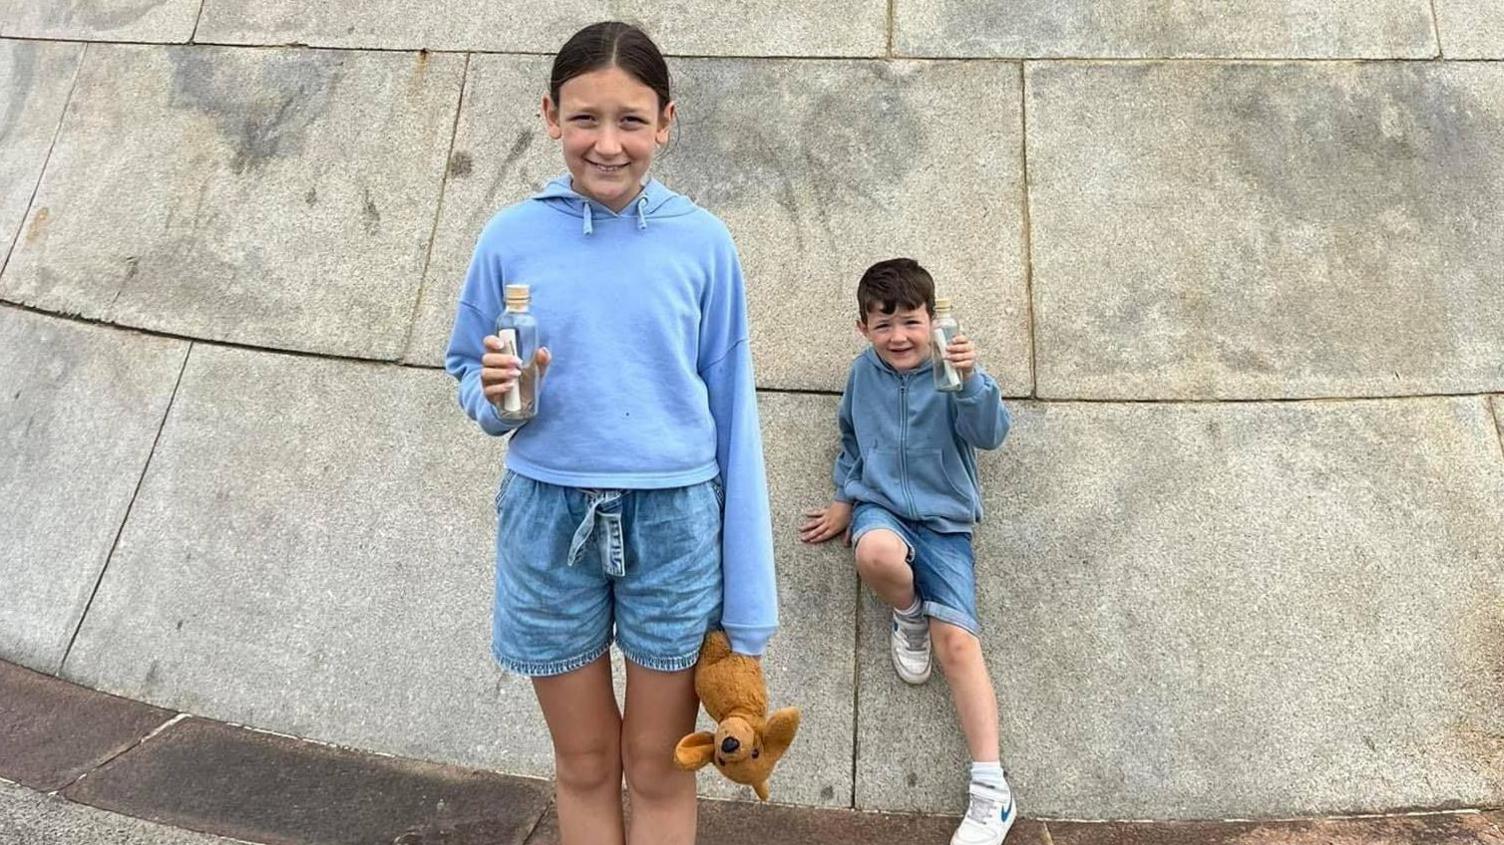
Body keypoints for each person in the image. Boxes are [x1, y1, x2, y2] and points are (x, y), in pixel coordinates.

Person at [444, 21, 777, 845]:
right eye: (585, 118)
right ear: (550, 116)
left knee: (660, 765)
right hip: (545, 517)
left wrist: (750, 599)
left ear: (666, 121)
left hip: (676, 522)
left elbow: (734, 409)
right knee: (585, 762)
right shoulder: (509, 237)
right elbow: (469, 369)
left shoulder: (703, 243)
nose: (607, 143)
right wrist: (496, 398)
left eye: (631, 120)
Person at [800, 258, 1015, 845]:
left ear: (931, 319)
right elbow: (851, 437)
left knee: (959, 645)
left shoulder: (952, 369)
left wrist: (973, 382)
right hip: (883, 509)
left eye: (911, 322)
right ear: (863, 327)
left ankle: (991, 791)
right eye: (884, 324)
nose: (899, 337)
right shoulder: (860, 374)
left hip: (945, 523)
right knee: (873, 553)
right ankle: (906, 613)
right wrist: (847, 498)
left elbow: (991, 434)